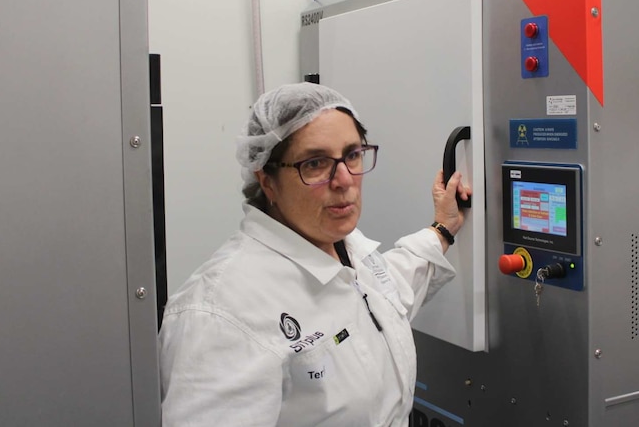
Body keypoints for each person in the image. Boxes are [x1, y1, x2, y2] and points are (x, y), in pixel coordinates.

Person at [158, 82, 471, 426]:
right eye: (316, 163)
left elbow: (389, 290)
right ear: (267, 181)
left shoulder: (344, 248)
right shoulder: (220, 313)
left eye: (352, 155)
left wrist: (443, 227)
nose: (344, 180)